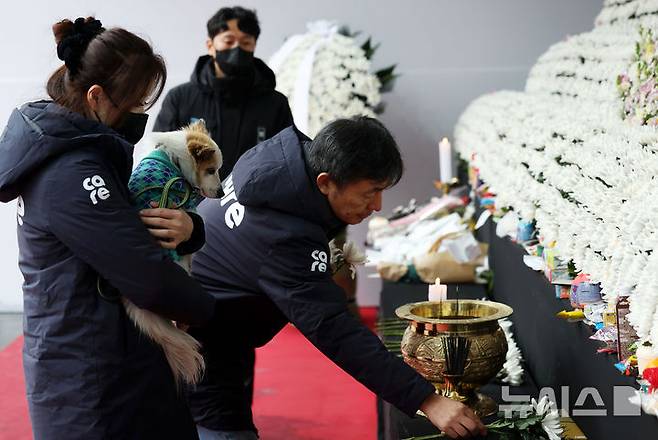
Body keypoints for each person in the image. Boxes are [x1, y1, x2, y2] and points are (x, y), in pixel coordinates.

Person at [188, 117, 487, 439]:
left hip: (217, 318)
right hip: (198, 342)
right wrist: (427, 400)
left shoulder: (282, 165)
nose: (377, 206)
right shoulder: (282, 235)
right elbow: (334, 330)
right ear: (325, 182)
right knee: (223, 428)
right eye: (370, 193)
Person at [0, 17, 217, 439]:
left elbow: (128, 234)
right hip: (92, 384)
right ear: (96, 96)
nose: (140, 115)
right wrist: (206, 309)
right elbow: (147, 275)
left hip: (106, 364)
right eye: (134, 103)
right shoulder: (72, 171)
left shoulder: (80, 151)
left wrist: (192, 228)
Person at [153, 6, 293, 180]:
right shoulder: (180, 98)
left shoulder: (275, 104)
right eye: (228, 41)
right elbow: (158, 158)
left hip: (251, 203)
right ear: (210, 46)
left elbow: (286, 162)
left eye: (246, 43)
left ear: (254, 46)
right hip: (189, 203)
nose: (237, 49)